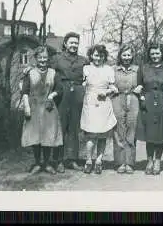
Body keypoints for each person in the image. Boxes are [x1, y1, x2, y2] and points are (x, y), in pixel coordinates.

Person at [18, 46, 63, 175]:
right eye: (40, 57)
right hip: (34, 107)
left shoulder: (53, 73)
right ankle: (37, 163)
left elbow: (60, 89)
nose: (43, 60)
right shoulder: (30, 73)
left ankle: (47, 163)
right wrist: (26, 107)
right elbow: (25, 91)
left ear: (48, 58)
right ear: (36, 58)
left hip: (49, 107)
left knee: (48, 135)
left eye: (45, 57)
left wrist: (51, 96)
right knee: (35, 136)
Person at [50, 32, 89, 173]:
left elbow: (91, 74)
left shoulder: (83, 60)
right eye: (71, 42)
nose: (74, 45)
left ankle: (73, 160)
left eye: (76, 43)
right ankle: (58, 160)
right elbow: (46, 71)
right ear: (65, 44)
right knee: (60, 126)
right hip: (62, 93)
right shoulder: (56, 59)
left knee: (74, 128)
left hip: (78, 93)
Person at [135, 42, 163, 175]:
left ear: (161, 54)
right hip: (148, 101)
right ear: (149, 54)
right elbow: (139, 85)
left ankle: (158, 160)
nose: (155, 56)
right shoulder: (143, 68)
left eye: (157, 53)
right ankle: (149, 160)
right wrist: (141, 97)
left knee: (160, 133)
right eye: (152, 53)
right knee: (150, 134)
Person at [80, 44, 118, 175]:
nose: (98, 58)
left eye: (101, 55)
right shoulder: (86, 68)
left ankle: (99, 161)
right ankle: (88, 160)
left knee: (102, 134)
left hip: (103, 103)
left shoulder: (108, 69)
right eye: (96, 55)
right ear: (91, 55)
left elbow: (114, 88)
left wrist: (106, 92)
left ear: (104, 57)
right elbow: (81, 83)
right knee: (91, 134)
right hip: (90, 103)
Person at [111, 44, 140, 174]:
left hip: (133, 99)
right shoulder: (114, 69)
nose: (127, 57)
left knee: (131, 129)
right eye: (124, 55)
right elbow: (109, 83)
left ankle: (129, 162)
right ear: (120, 56)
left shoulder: (137, 69)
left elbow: (144, 83)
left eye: (129, 55)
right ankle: (120, 162)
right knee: (119, 130)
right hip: (117, 98)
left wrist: (140, 88)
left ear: (132, 56)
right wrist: (112, 87)